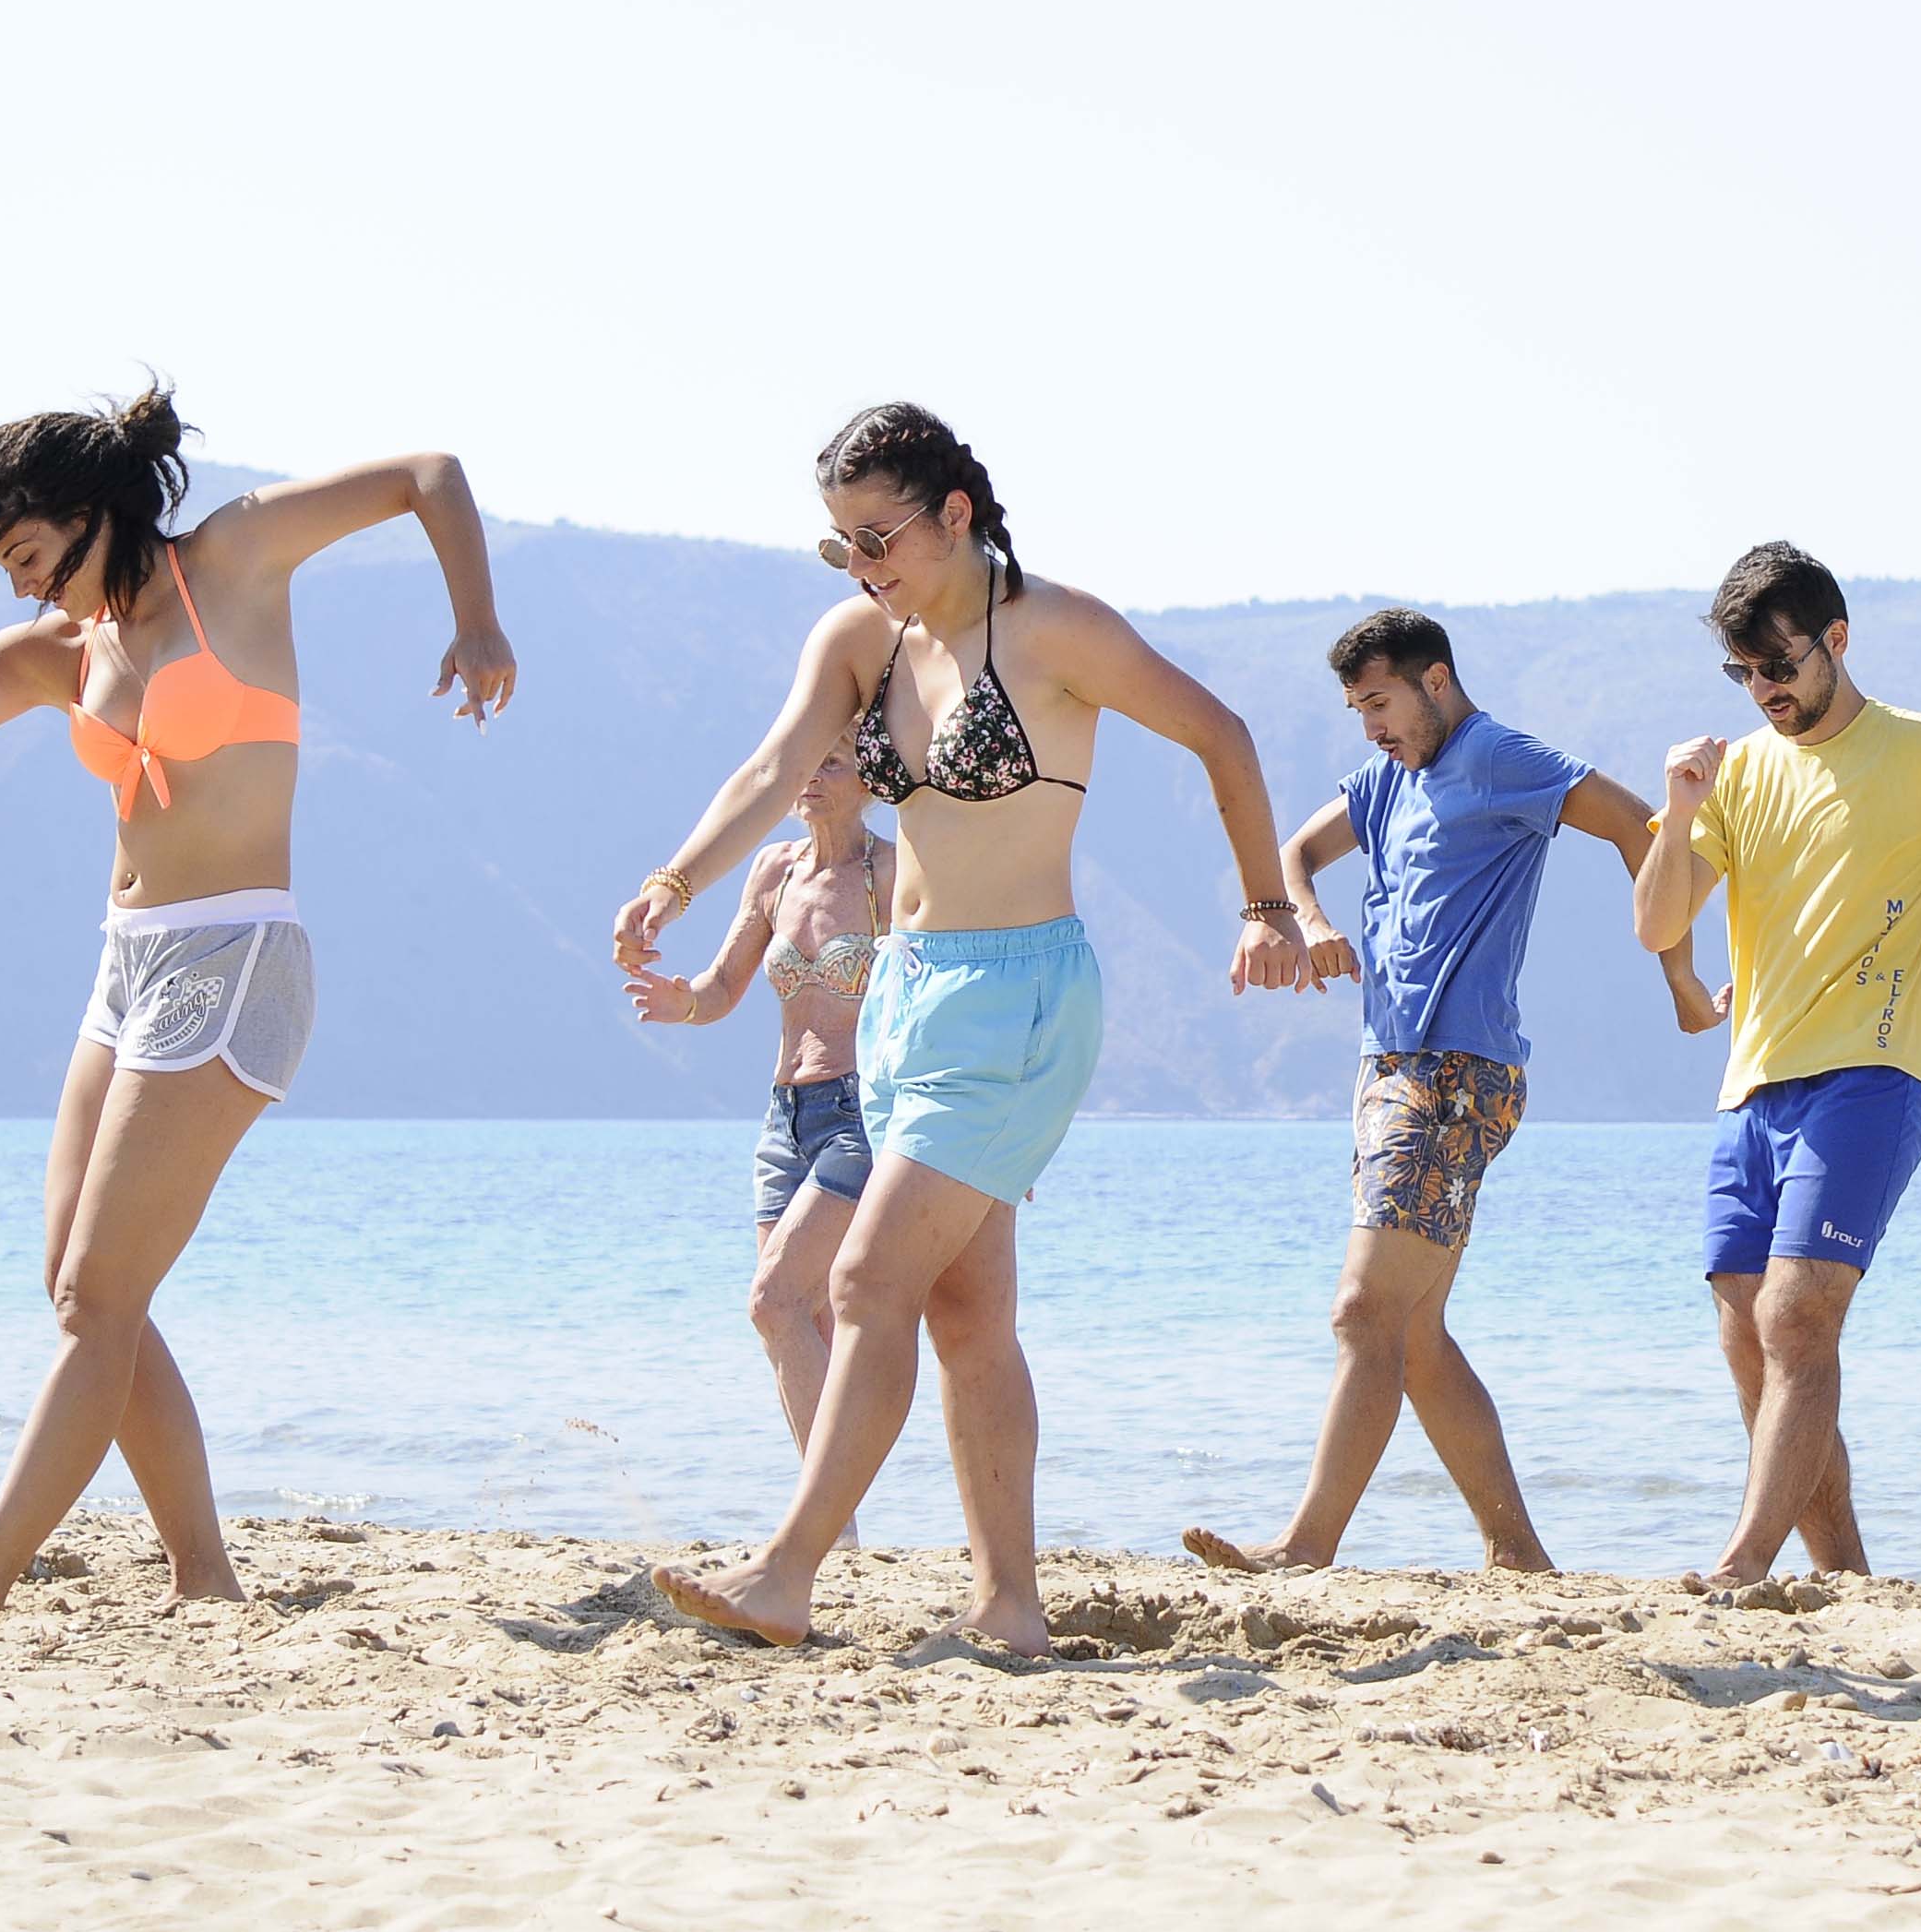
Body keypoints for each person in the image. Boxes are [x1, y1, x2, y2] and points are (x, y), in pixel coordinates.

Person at [612, 403, 1308, 1655]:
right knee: (966, 1316)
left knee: (866, 1279)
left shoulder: (1057, 631)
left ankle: (784, 1575)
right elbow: (772, 771)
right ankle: (1010, 1605)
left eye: (879, 537)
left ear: (954, 515)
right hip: (905, 991)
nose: (863, 566)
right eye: (840, 545)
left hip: (1021, 998)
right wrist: (673, 883)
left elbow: (1225, 735)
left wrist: (1266, 906)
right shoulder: (859, 641)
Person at [0, 386, 513, 1613]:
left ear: (97, 515)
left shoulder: (238, 558)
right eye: (1, 566)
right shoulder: (59, 657)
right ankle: (206, 1578)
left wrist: (477, 624)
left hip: (237, 958)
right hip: (126, 963)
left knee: (99, 1297)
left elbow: (429, 469)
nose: (23, 589)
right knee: (83, 1289)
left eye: (32, 556)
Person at [1185, 609, 1724, 1578]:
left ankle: (1305, 1544)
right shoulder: (1384, 778)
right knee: (1415, 1335)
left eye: (1380, 702)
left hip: (1454, 1073)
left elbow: (1637, 828)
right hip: (1386, 1067)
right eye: (1356, 709)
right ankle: (1516, 1551)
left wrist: (1677, 975)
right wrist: (1302, 920)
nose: (1371, 727)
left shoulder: (1501, 759)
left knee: (1362, 1312)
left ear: (1436, 681)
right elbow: (1293, 856)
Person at [1631, 541, 1921, 1589]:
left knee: (1797, 1317)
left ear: (1835, 638)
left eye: (1778, 665)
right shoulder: (1734, 774)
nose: (1764, 691)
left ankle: (1743, 1563)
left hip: (1873, 1076)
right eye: (1743, 674)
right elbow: (1656, 924)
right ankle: (1846, 1582)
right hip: (1752, 1086)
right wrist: (1685, 804)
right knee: (1755, 1340)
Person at [624, 749, 897, 1479]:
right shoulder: (775, 870)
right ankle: (839, 1532)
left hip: (860, 1115)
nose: (810, 775)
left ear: (872, 777)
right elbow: (720, 987)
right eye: (806, 761)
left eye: (833, 762)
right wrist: (683, 1005)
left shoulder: (890, 877)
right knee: (804, 1322)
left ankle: (824, 1518)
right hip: (784, 1121)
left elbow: (940, 994)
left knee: (774, 1302)